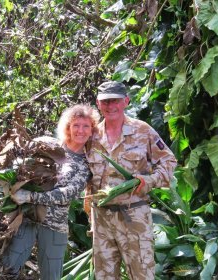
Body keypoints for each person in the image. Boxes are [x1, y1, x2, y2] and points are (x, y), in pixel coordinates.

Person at [85, 81, 177, 280]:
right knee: (104, 277)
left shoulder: (142, 131)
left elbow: (169, 162)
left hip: (134, 218)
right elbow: (86, 178)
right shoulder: (90, 136)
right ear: (98, 104)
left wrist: (148, 181)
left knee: (142, 275)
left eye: (115, 101)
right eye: (105, 102)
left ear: (126, 101)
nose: (111, 106)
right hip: (102, 220)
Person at [0, 104, 100, 280]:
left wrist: (30, 196)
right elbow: (17, 160)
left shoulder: (85, 165)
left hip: (55, 225)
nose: (81, 130)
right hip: (26, 218)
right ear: (68, 127)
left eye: (86, 126)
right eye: (76, 125)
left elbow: (66, 194)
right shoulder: (47, 144)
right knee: (9, 268)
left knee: (51, 276)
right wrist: (10, 183)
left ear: (92, 130)